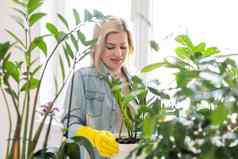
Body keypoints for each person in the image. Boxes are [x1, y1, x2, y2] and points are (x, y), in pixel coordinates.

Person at [62, 16, 135, 159]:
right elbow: (69, 127)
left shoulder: (137, 84)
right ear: (98, 47)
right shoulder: (82, 78)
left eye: (123, 47)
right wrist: (93, 136)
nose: (118, 53)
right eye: (110, 47)